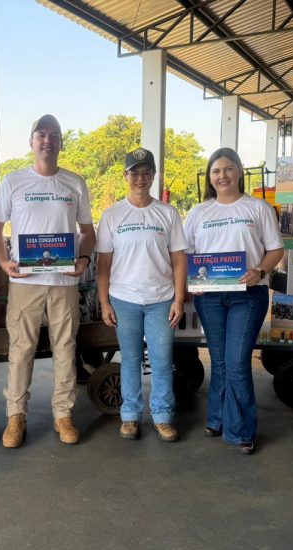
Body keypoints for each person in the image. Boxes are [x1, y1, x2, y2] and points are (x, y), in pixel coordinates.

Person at [0, 114, 96, 448]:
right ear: (31, 142)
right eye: (41, 134)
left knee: (65, 349)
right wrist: (3, 262)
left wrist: (83, 259)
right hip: (25, 283)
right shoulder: (13, 182)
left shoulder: (74, 183)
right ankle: (16, 415)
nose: (47, 140)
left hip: (64, 283)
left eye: (53, 135)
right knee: (21, 349)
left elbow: (88, 231)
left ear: (61, 142)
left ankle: (63, 415)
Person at [184, 148, 284, 455]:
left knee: (237, 361)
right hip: (209, 297)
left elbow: (276, 250)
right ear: (209, 177)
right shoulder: (199, 212)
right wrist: (192, 281)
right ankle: (216, 418)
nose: (222, 175)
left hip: (248, 296)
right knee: (219, 359)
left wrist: (260, 270)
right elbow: (186, 253)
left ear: (239, 171)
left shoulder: (258, 208)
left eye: (228, 169)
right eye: (216, 171)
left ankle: (240, 430)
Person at [96, 148, 187, 442]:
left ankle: (162, 416)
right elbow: (103, 265)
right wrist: (104, 302)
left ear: (153, 176)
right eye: (134, 172)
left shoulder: (168, 213)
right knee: (131, 360)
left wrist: (178, 299)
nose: (140, 178)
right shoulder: (112, 215)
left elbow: (178, 260)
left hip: (162, 300)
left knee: (162, 360)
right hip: (124, 300)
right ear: (125, 176)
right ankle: (130, 416)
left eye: (146, 172)